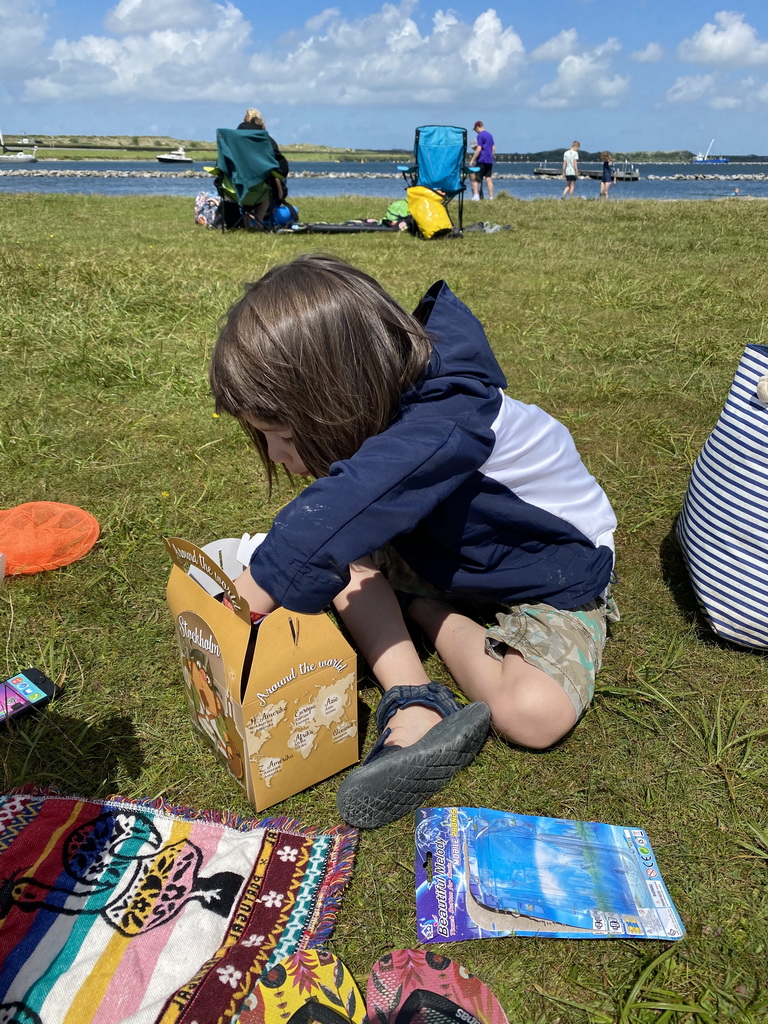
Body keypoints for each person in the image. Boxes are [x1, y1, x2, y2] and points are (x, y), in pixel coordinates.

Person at [209, 254, 619, 830]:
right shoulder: (385, 403)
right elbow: (347, 509)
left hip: (547, 572)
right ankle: (414, 697)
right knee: (344, 551)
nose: (276, 455)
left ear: (336, 396)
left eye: (281, 435)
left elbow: (347, 504)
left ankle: (423, 609)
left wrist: (248, 598)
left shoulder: (451, 420)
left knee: (532, 714)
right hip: (440, 549)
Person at [236, 107, 290, 216]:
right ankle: (259, 221)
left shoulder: (232, 139)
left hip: (234, 188)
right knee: (273, 176)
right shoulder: (265, 139)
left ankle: (247, 220)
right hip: (260, 189)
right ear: (261, 123)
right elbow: (282, 168)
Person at [468, 120, 495, 200]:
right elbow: (493, 147)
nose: (476, 131)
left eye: (475, 129)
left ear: (477, 127)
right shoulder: (490, 135)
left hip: (482, 159)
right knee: (488, 178)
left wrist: (472, 160)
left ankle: (476, 196)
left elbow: (479, 148)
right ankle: (491, 197)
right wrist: (491, 156)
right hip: (489, 160)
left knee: (475, 177)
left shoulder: (480, 135)